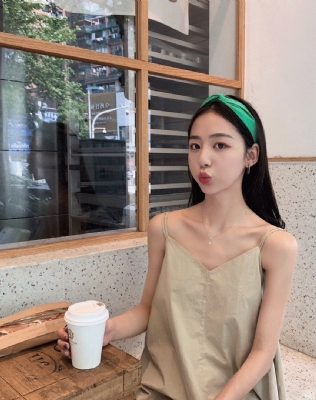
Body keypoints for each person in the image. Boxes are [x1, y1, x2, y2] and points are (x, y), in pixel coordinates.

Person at [58, 94, 298, 400]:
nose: (203, 159)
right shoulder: (164, 228)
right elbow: (146, 310)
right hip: (162, 389)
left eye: (219, 145)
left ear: (251, 155)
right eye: (195, 146)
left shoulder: (276, 246)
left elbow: (263, 352)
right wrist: (104, 331)